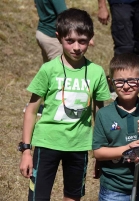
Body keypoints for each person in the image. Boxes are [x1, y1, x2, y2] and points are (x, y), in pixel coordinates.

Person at [18, 8, 111, 201]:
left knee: (73, 197)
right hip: (46, 143)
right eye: (70, 41)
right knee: (38, 197)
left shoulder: (96, 72)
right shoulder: (48, 70)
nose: (76, 47)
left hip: (79, 146)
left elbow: (100, 113)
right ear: (59, 37)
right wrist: (26, 150)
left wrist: (101, 151)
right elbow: (31, 110)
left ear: (91, 38)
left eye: (82, 41)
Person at [92, 53, 139, 201]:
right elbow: (98, 152)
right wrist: (127, 150)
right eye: (119, 82)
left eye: (132, 80)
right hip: (114, 188)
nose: (125, 86)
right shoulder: (104, 114)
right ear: (111, 83)